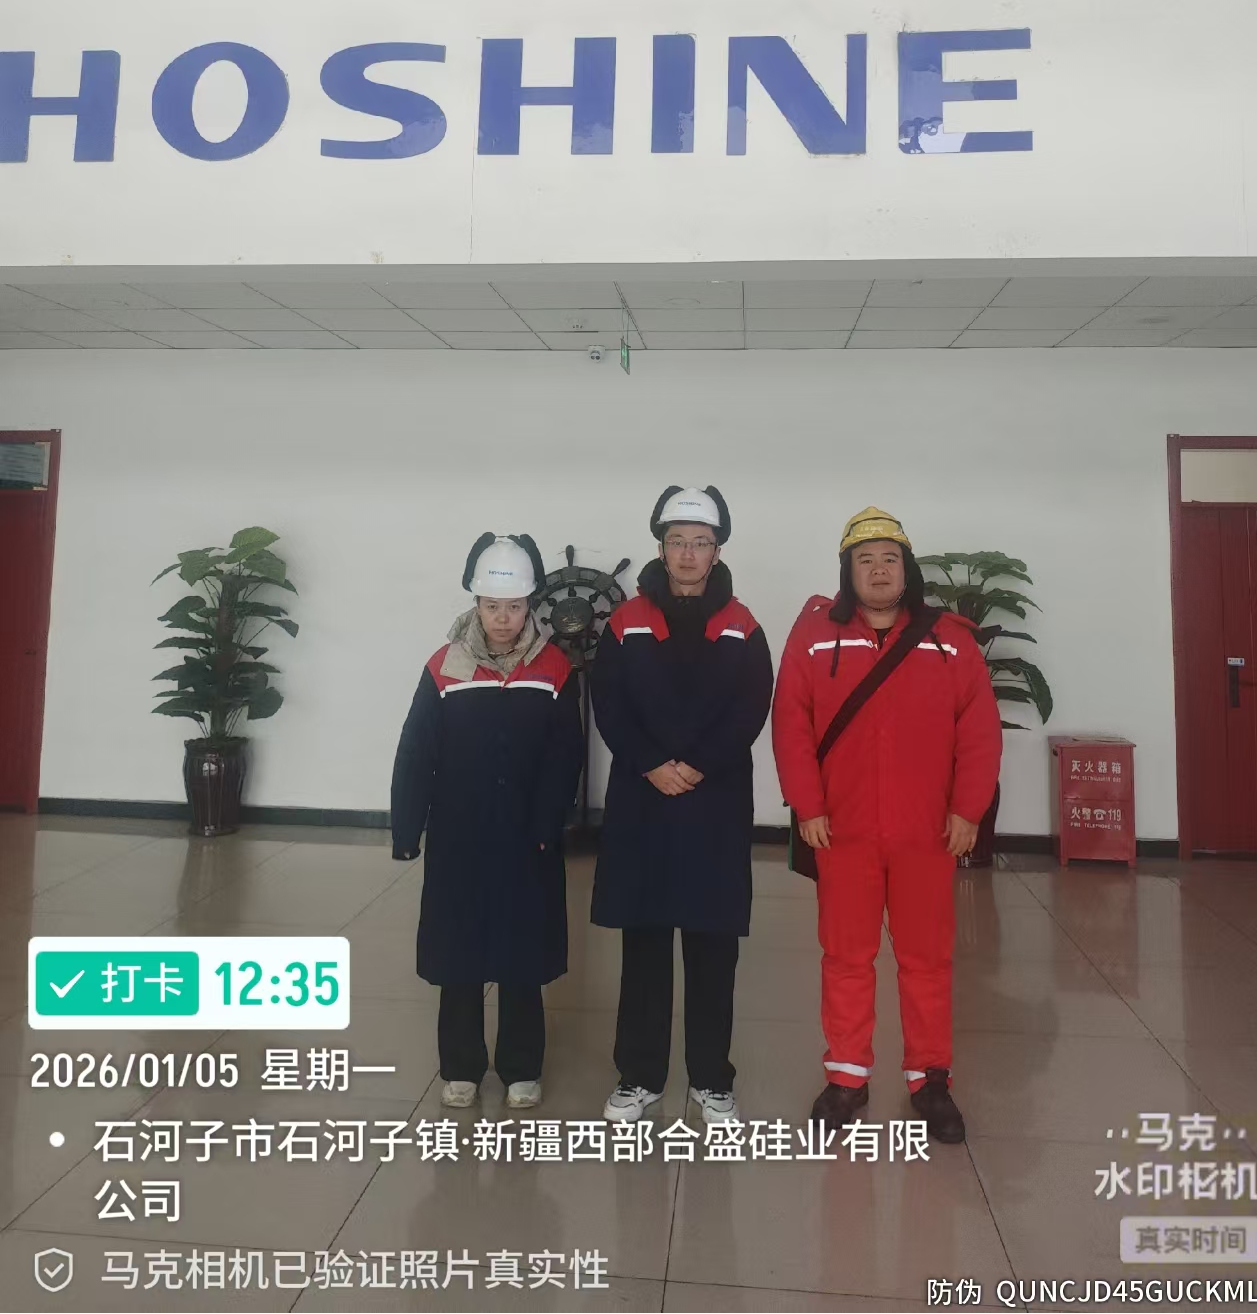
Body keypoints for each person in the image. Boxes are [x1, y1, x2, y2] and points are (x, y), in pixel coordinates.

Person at [771, 507, 1001, 1143]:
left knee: (927, 959)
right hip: (842, 832)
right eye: (865, 560)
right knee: (846, 956)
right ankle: (847, 1077)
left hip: (927, 834)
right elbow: (790, 723)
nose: (878, 571)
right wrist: (808, 805)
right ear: (847, 571)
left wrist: (968, 810)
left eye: (889, 559)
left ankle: (930, 1081)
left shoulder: (948, 640)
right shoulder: (814, 637)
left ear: (908, 569)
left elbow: (979, 731)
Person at [590, 486, 774, 1125]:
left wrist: (698, 764)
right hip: (642, 799)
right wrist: (650, 763)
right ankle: (639, 1075)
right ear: (661, 548)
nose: (689, 554)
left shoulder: (743, 625)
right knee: (643, 944)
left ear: (717, 550)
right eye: (677, 543)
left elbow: (751, 706)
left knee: (712, 944)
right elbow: (609, 701)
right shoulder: (627, 622)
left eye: (701, 543)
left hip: (713, 801)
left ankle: (712, 1079)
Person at [390, 533, 583, 1110]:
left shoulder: (553, 668)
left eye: (514, 607)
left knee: (523, 952)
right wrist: (407, 830)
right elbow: (416, 751)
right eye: (493, 606)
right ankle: (461, 1066)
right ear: (476, 604)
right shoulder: (444, 668)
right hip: (460, 836)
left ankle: (522, 1066)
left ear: (530, 606)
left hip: (529, 837)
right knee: (460, 952)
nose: (503, 618)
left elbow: (566, 755)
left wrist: (549, 824)